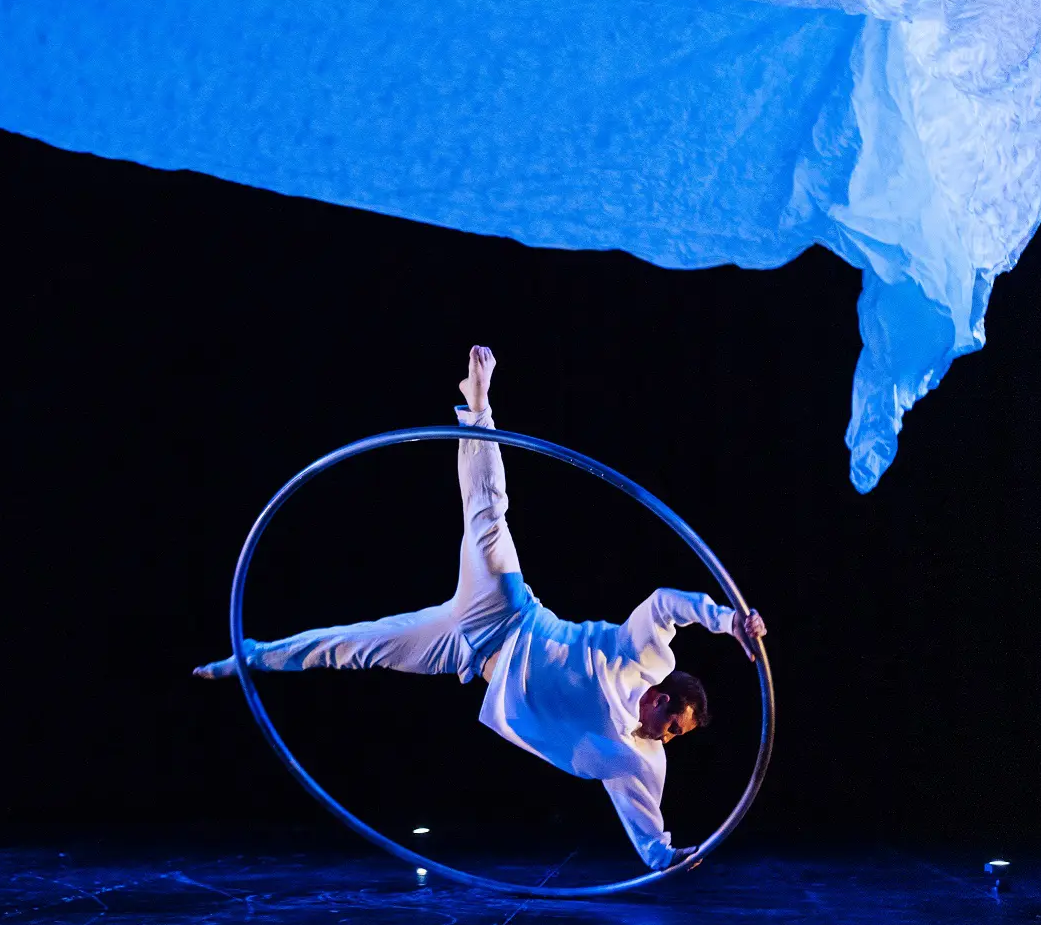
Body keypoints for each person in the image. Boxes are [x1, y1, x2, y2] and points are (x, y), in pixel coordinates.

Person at [194, 346, 768, 870]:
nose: (667, 737)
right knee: (487, 514)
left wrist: (663, 858)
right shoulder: (640, 659)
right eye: (673, 725)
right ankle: (478, 407)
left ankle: (253, 658)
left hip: (464, 656)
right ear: (664, 697)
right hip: (505, 613)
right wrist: (730, 623)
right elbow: (667, 603)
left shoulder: (635, 757)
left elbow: (644, 812)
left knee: (358, 646)